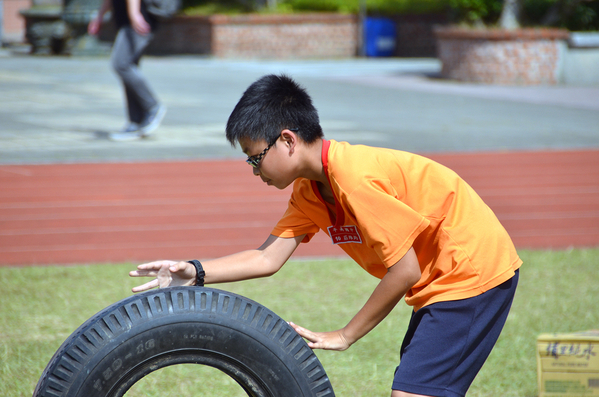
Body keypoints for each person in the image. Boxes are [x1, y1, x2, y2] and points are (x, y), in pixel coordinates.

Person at [130, 74, 522, 397]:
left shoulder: (354, 177)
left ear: (287, 139)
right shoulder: (310, 190)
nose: (253, 170)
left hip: (471, 273)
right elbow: (267, 257)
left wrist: (345, 335)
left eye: (255, 157)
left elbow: (404, 271)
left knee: (412, 393)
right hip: (440, 280)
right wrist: (194, 272)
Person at [88, 0, 166, 141]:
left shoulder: (134, 16)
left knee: (121, 64)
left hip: (137, 21)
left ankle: (152, 106)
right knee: (128, 68)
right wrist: (99, 16)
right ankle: (135, 122)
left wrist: (134, 14)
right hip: (127, 20)